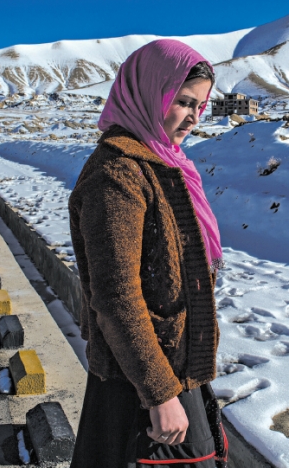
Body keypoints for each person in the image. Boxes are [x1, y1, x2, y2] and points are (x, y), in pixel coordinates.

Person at [68, 39, 227, 468]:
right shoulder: (118, 174)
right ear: (149, 94)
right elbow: (116, 298)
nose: (194, 117)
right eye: (183, 102)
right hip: (139, 386)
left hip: (168, 372)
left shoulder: (162, 162)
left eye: (201, 105)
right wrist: (160, 393)